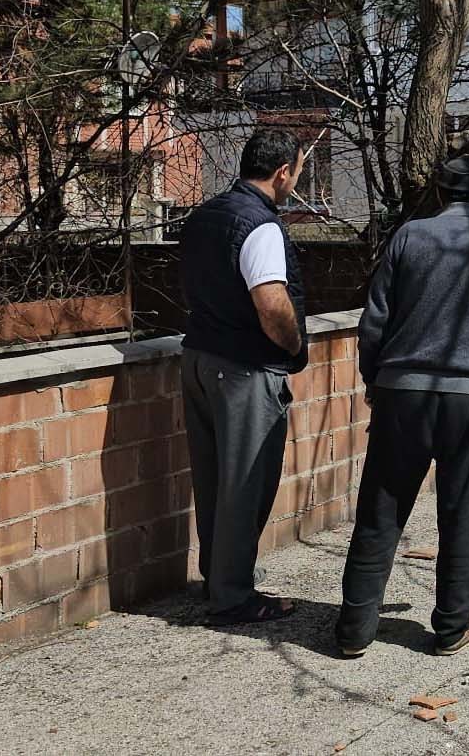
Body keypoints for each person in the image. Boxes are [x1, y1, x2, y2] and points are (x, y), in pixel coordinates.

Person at [337, 155, 469, 658]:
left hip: (402, 394)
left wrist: (374, 379)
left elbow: (374, 323)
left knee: (380, 513)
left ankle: (353, 630)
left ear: (438, 195)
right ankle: (453, 626)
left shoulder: (408, 237)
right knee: (461, 513)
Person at [179, 127, 308, 625]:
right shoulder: (261, 226)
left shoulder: (205, 215)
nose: (295, 179)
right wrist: (295, 345)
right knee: (246, 484)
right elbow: (272, 303)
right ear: (282, 173)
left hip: (199, 358)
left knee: (212, 480)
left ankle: (217, 579)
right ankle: (232, 595)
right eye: (296, 171)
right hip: (245, 370)